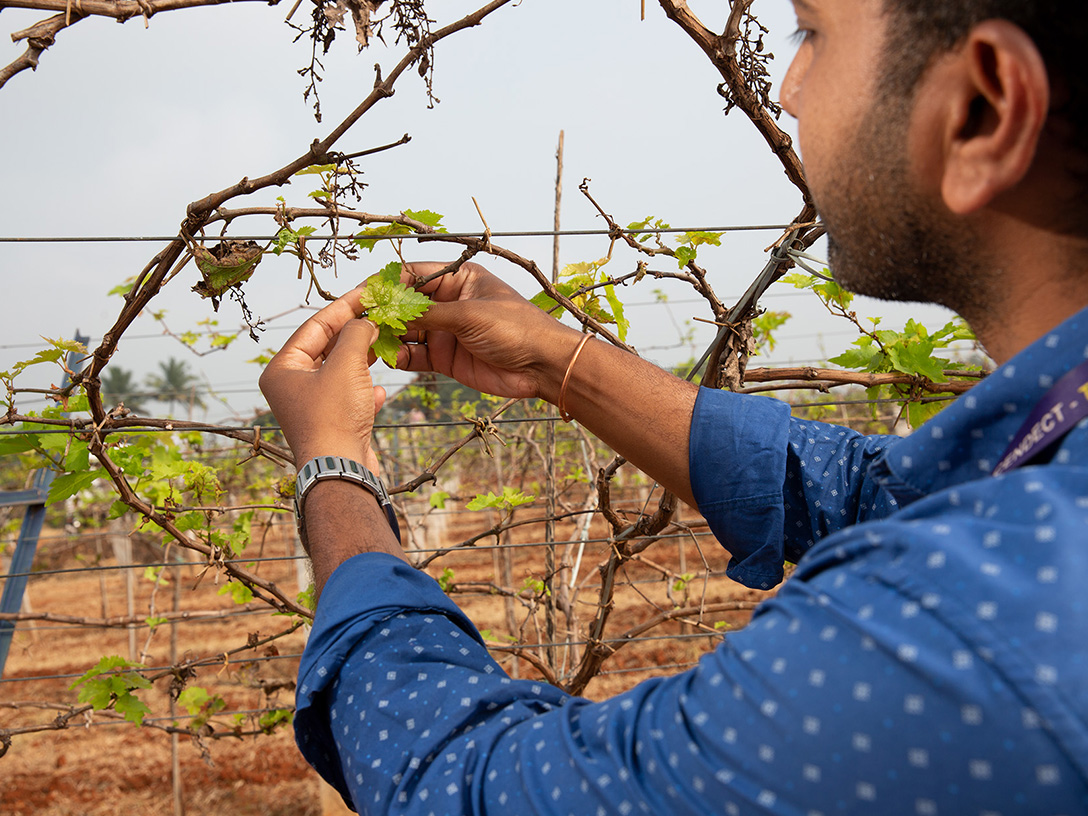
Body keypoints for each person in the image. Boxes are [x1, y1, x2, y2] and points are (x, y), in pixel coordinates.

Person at [259, 0, 1088, 812]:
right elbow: (877, 494)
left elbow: (461, 787)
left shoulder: (978, 628)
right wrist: (559, 359)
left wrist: (335, 468)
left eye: (812, 33)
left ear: (986, 107)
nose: (788, 86)